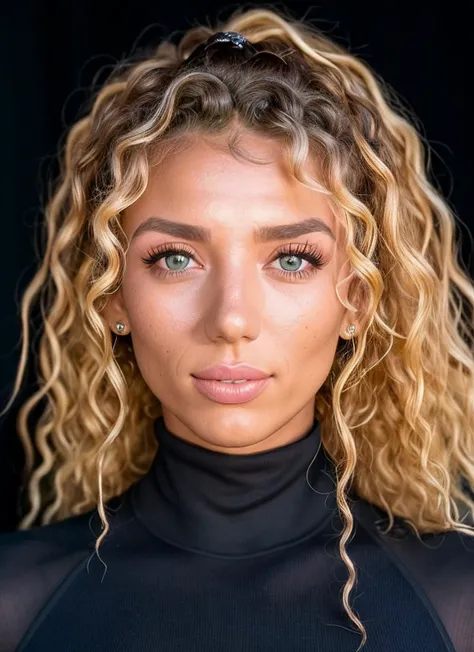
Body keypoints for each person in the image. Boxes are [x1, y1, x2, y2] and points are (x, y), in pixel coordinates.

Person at [0, 6, 473, 652]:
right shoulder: (14, 606)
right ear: (111, 294)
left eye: (291, 259)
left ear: (357, 300)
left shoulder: (459, 607)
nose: (230, 319)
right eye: (175, 258)